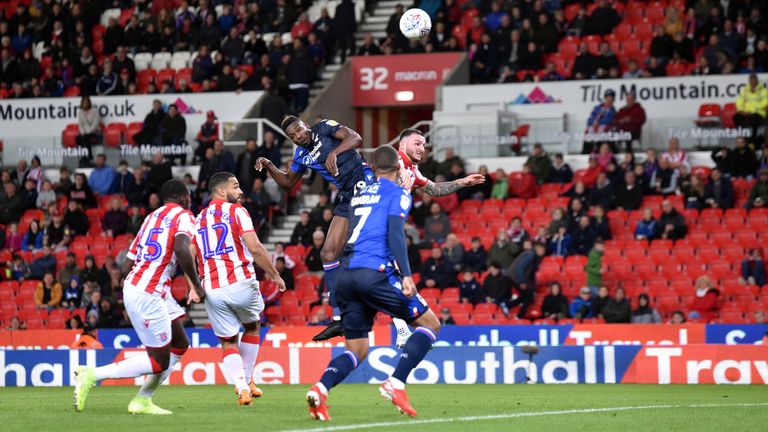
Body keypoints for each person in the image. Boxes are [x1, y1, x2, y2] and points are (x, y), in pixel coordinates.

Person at [305, 146, 440, 420]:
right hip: (373, 272)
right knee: (430, 325)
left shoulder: (357, 195)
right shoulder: (399, 194)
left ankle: (320, 389)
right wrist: (406, 276)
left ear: (374, 168)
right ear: (398, 168)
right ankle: (395, 383)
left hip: (345, 276)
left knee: (356, 349)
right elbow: (395, 235)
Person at [74, 179, 204, 415]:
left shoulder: (150, 218)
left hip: (148, 289)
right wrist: (196, 285)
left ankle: (143, 399)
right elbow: (182, 250)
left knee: (180, 344)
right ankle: (92, 374)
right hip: (148, 293)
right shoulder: (183, 216)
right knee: (159, 362)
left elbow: (127, 262)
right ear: (184, 197)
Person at [256, 116, 372, 342]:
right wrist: (269, 165)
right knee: (327, 254)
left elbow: (355, 137)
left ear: (305, 126)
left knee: (364, 250)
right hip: (347, 195)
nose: (298, 136)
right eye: (293, 136)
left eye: (299, 130)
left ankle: (393, 315)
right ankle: (339, 319)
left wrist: (334, 153)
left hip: (365, 183)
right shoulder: (301, 156)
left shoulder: (324, 127)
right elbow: (289, 183)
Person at [195, 172, 286, 405]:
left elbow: (193, 254)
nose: (241, 191)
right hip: (240, 281)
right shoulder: (237, 211)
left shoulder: (199, 218)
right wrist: (274, 275)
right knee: (252, 326)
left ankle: (242, 387)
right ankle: (246, 381)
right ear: (222, 191)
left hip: (212, 288)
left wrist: (194, 285)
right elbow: (254, 248)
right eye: (236, 187)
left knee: (228, 341)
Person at [734, 73, 768, 142]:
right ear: (749, 81)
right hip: (745, 113)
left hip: (758, 113)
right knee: (736, 117)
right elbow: (739, 101)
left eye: (754, 80)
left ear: (757, 81)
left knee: (754, 120)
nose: (753, 82)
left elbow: (765, 103)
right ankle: (742, 138)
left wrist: (752, 111)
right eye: (751, 80)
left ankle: (753, 139)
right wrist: (741, 111)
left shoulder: (763, 91)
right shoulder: (745, 91)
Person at [76, 95, 101, 165]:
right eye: (83, 102)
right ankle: (83, 155)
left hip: (94, 131)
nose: (85, 103)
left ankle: (89, 155)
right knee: (78, 138)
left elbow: (95, 124)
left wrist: (87, 132)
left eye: (86, 101)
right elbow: (80, 124)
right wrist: (83, 132)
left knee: (86, 137)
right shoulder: (80, 112)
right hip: (84, 132)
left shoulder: (95, 111)